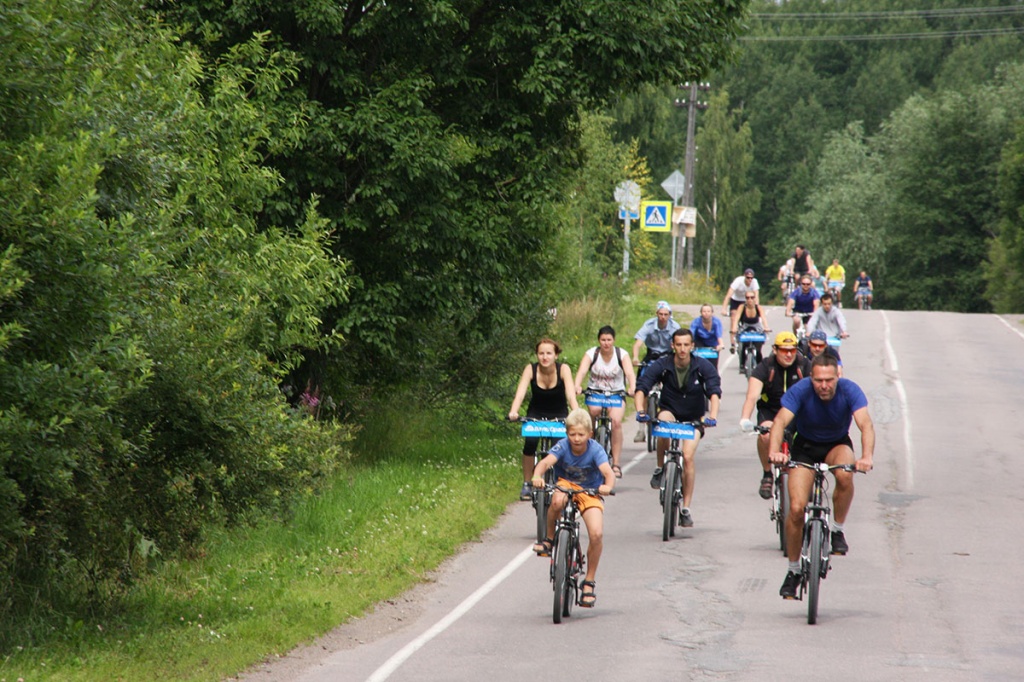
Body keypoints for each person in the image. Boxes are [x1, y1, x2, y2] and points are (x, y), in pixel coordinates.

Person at [768, 353, 874, 600]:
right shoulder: (801, 390)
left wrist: (866, 456)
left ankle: (837, 530)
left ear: (838, 376)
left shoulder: (850, 390)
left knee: (846, 476)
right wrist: (774, 452)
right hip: (804, 448)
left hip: (837, 444)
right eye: (818, 380)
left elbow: (865, 424)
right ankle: (793, 571)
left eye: (829, 380)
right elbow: (779, 422)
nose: (824, 386)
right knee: (795, 508)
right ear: (811, 378)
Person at [633, 329, 721, 528]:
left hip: (694, 419)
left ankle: (686, 508)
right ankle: (659, 467)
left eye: (686, 345)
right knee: (663, 423)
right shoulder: (662, 364)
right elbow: (642, 387)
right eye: (678, 345)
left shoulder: (702, 366)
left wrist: (712, 416)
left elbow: (714, 392)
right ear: (673, 346)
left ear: (692, 346)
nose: (682, 349)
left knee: (688, 457)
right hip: (670, 410)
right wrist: (639, 410)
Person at [531, 408, 615, 608]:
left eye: (581, 435)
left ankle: (589, 582)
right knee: (557, 501)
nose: (576, 439)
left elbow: (608, 472)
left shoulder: (595, 450)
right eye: (572, 434)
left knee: (596, 533)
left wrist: (607, 486)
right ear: (566, 433)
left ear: (590, 434)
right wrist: (536, 476)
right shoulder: (562, 447)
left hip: (590, 490)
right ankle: (550, 539)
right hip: (566, 485)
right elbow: (545, 463)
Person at [739, 331, 811, 498]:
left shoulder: (805, 366)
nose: (788, 354)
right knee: (765, 436)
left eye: (792, 350)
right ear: (775, 350)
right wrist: (745, 418)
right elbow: (751, 396)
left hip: (796, 413)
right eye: (784, 350)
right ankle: (767, 474)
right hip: (770, 412)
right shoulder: (765, 367)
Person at [508, 338, 579, 500]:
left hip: (559, 414)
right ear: (537, 355)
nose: (545, 357)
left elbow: (570, 395)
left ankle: (561, 481)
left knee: (559, 448)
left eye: (549, 353)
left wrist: (576, 413)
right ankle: (527, 483)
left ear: (556, 355)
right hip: (536, 413)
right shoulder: (530, 369)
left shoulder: (563, 369)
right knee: (530, 443)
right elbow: (520, 394)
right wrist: (514, 411)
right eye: (541, 353)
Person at [575, 326, 637, 478]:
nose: (606, 343)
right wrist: (577, 385)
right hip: (595, 392)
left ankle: (615, 464)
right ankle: (587, 455)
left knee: (616, 421)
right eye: (603, 340)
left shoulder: (621, 354)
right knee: (594, 412)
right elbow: (582, 371)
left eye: (609, 340)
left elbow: (629, 373)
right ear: (599, 340)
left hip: (616, 393)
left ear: (614, 340)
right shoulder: (592, 353)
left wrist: (632, 387)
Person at [632, 301, 681, 441]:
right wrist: (635, 357)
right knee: (642, 388)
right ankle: (641, 429)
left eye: (666, 314)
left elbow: (678, 344)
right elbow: (638, 343)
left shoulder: (674, 327)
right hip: (651, 356)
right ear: (656, 314)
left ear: (670, 315)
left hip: (668, 356)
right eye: (660, 314)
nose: (663, 317)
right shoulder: (649, 325)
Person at [721, 268, 761, 343]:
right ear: (744, 276)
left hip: (746, 300)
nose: (750, 280)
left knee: (748, 318)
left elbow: (756, 297)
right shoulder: (738, 281)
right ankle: (733, 343)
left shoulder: (754, 282)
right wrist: (724, 308)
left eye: (751, 278)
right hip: (735, 300)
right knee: (733, 317)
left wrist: (756, 308)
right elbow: (728, 295)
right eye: (748, 278)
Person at [734, 291, 771, 369]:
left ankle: (760, 366)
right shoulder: (742, 307)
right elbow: (736, 318)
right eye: (747, 298)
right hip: (745, 327)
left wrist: (766, 327)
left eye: (752, 297)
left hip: (756, 327)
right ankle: (742, 364)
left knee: (758, 348)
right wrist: (734, 328)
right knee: (744, 345)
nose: (750, 300)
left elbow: (764, 318)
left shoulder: (758, 307)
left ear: (755, 299)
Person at [689, 303, 725, 369]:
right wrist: (689, 345)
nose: (706, 313)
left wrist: (721, 345)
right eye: (704, 311)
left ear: (712, 313)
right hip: (699, 343)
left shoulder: (716, 322)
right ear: (701, 313)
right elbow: (691, 335)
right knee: (696, 364)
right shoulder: (696, 322)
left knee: (713, 367)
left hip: (713, 345)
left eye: (708, 311)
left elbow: (719, 335)